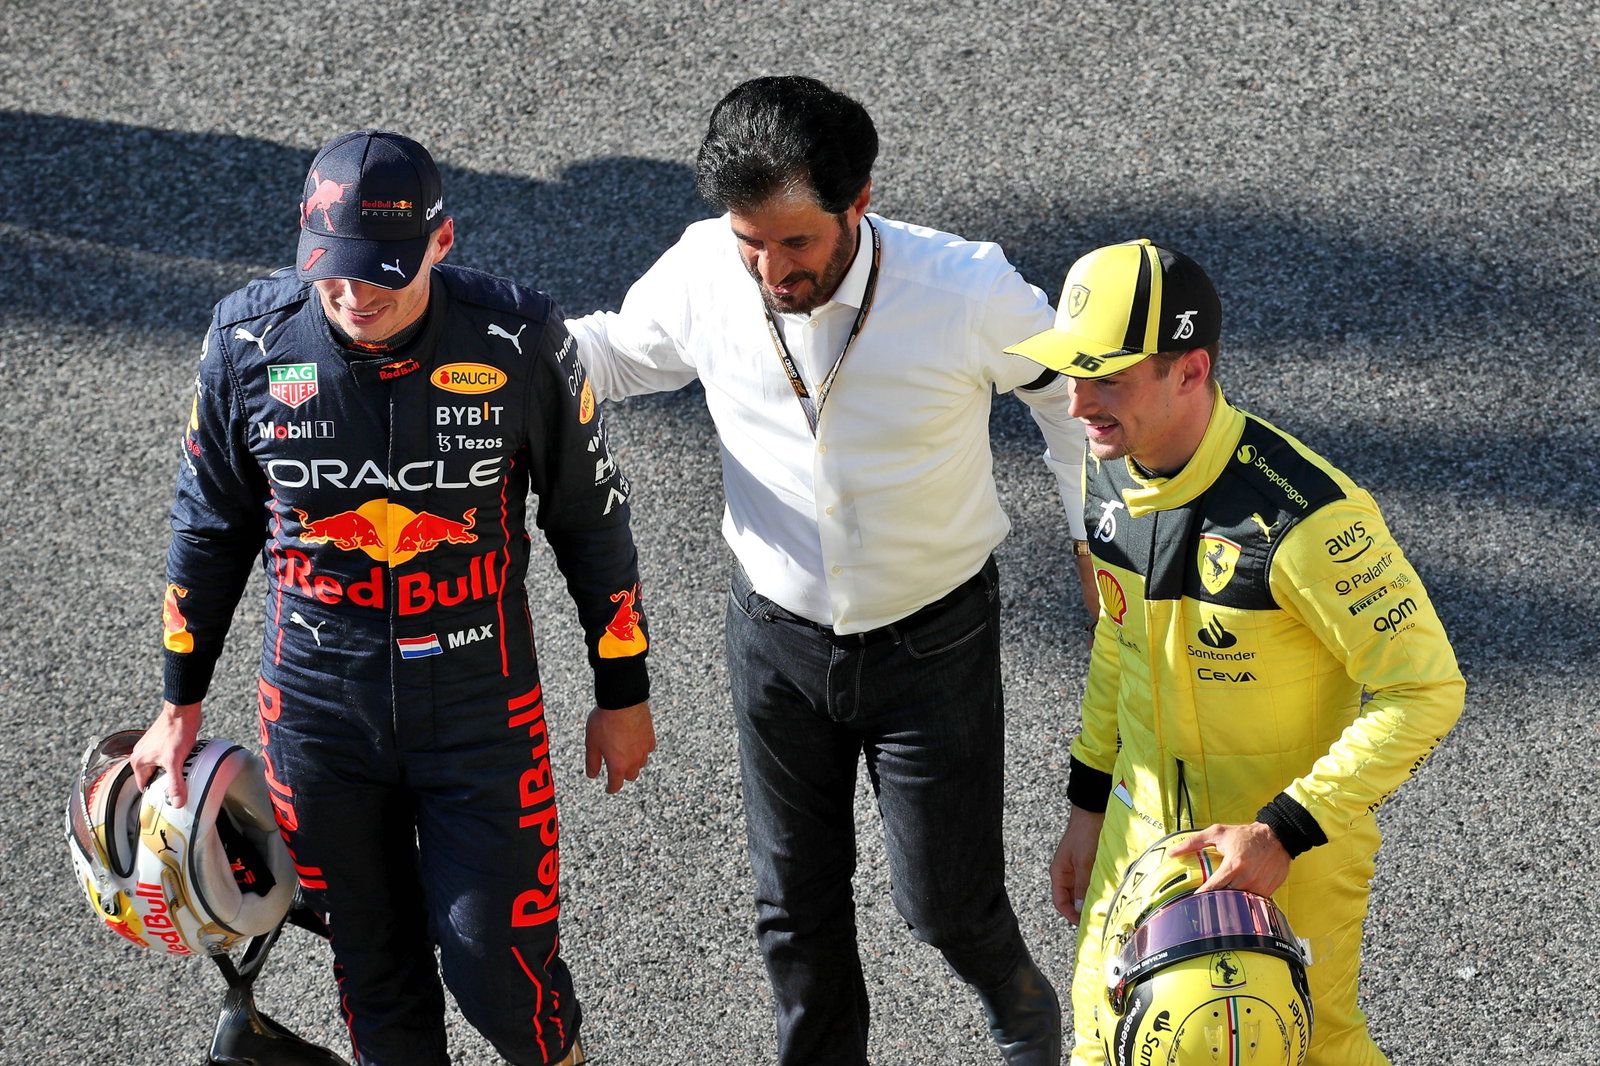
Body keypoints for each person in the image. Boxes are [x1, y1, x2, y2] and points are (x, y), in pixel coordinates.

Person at [565, 76, 1093, 1065]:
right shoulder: (698, 270)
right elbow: (621, 356)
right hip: (775, 643)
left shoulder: (962, 287)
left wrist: (1088, 539)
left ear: (859, 202)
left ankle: (1021, 999)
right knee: (791, 914)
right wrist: (486, 360)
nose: (770, 267)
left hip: (934, 642)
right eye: (750, 241)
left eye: (796, 242)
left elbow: (1070, 397)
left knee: (943, 905)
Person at [131, 128, 655, 1066]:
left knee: (496, 962)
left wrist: (624, 694)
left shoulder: (522, 339)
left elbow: (593, 526)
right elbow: (208, 529)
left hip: (481, 709)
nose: (353, 293)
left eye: (383, 271)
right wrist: (178, 703)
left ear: (442, 245)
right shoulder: (245, 340)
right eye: (331, 270)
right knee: (377, 980)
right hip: (319, 716)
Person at [1004, 238, 1465, 1065]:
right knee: (1107, 1036)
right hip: (1140, 843)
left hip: (1281, 857)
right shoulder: (1107, 461)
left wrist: (1284, 831)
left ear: (1190, 370)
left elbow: (1425, 691)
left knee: (1305, 1050)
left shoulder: (1309, 518)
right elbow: (1118, 637)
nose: (1077, 405)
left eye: (1106, 376)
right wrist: (1087, 808)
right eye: (1072, 374)